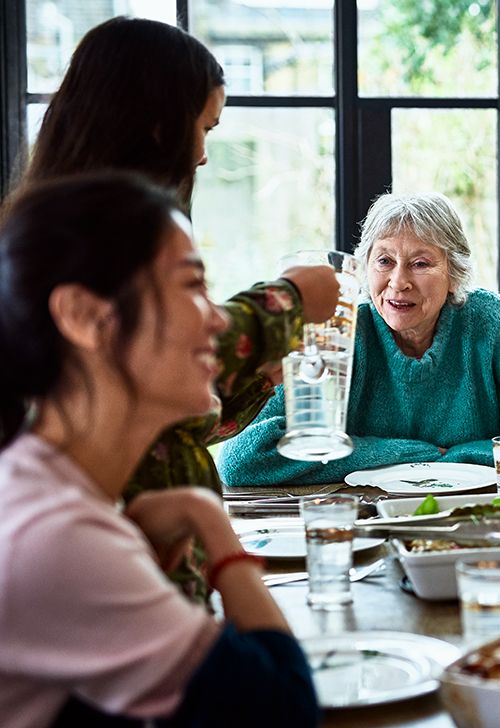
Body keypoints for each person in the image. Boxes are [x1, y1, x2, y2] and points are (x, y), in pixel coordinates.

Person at [19, 16, 339, 599]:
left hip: (175, 567)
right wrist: (289, 299)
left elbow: (177, 418)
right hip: (133, 575)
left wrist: (259, 379)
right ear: (158, 125)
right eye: (204, 128)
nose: (203, 156)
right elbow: (130, 371)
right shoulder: (74, 241)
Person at [0, 173, 317, 727]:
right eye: (192, 285)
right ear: (85, 316)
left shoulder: (52, 489)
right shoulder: (55, 533)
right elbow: (280, 710)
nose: (219, 318)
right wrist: (210, 522)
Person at [218, 192, 500, 485]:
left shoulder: (486, 320)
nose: (399, 282)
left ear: (454, 273)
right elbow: (243, 459)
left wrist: (460, 458)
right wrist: (406, 455)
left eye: (420, 263)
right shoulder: (339, 332)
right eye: (384, 261)